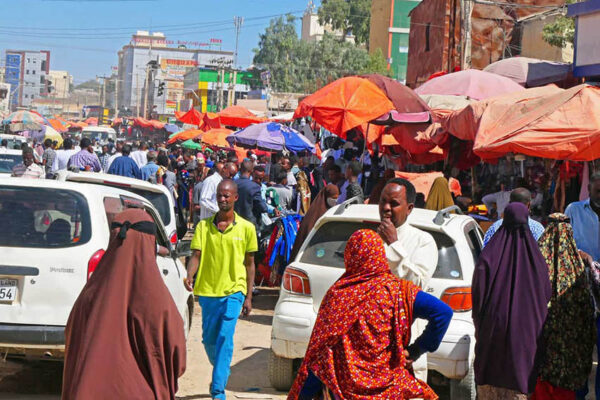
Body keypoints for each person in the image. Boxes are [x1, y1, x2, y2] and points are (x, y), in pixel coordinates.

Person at [287, 229, 452, 400]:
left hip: (344, 392)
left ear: (349, 256)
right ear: (380, 254)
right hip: (388, 389)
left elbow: (319, 353)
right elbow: (443, 313)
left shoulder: (338, 295)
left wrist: (302, 394)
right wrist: (416, 350)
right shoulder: (399, 292)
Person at [62, 209, 186, 399]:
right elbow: (176, 355)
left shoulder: (89, 295)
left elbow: (72, 343)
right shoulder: (157, 300)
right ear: (149, 242)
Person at [184, 180, 257, 400]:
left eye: (227, 195)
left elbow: (250, 264)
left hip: (234, 291)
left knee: (226, 337)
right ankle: (222, 368)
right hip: (208, 292)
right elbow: (195, 256)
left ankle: (218, 390)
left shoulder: (247, 228)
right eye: (220, 195)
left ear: (235, 197)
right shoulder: (203, 227)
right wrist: (189, 275)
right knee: (209, 341)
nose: (223, 199)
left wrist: (248, 297)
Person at [472, 202, 551, 399]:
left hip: (492, 339)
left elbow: (478, 297)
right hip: (525, 344)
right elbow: (546, 297)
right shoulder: (537, 261)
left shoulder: (489, 255)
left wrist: (481, 326)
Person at [377, 178, 439, 382]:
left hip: (405, 343)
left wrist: (394, 245)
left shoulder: (423, 241)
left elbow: (417, 284)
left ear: (409, 208)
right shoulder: (369, 238)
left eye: (394, 204)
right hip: (372, 344)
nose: (386, 208)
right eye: (383, 202)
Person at [533, 213, 596, 399]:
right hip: (571, 352)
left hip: (543, 347)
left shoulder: (537, 259)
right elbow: (586, 306)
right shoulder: (577, 261)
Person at [565, 172, 600, 398]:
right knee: (580, 350)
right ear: (590, 189)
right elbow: (564, 244)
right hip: (581, 288)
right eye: (598, 191)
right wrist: (583, 256)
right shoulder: (574, 210)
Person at [289, 184, 339, 262]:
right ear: (326, 196)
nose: (335, 201)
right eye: (333, 198)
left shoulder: (331, 211)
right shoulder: (317, 213)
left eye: (336, 198)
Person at [234, 160, 268, 226]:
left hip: (235, 222)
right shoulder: (254, 187)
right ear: (252, 171)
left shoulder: (233, 183)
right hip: (249, 223)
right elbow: (263, 208)